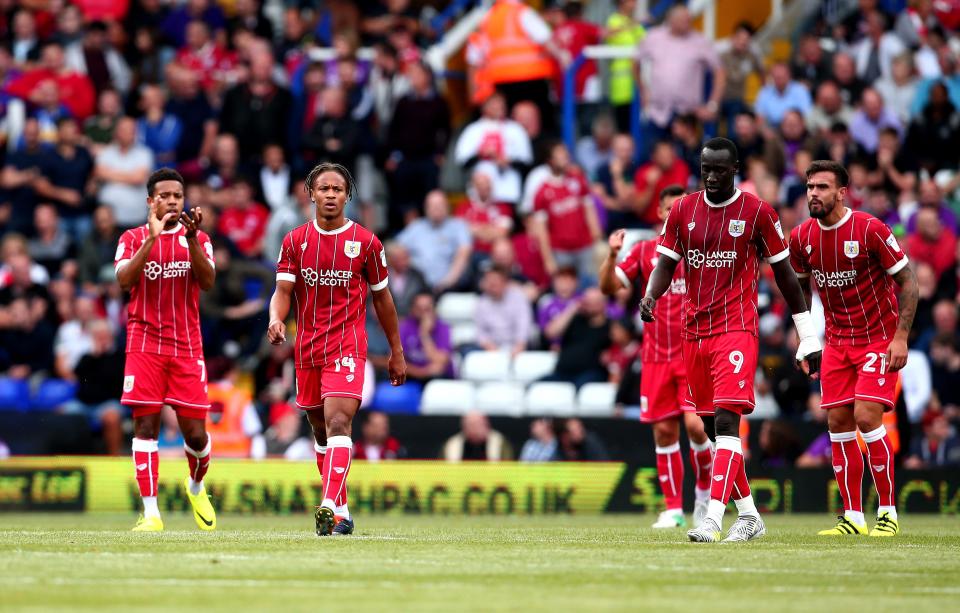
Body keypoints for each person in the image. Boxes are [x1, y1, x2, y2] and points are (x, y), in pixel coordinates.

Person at [642, 137, 822, 543]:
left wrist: (806, 334)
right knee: (709, 426)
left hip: (736, 328)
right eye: (705, 167)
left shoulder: (757, 212)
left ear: (735, 168)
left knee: (726, 420)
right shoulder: (684, 210)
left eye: (719, 169)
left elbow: (787, 277)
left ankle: (711, 517)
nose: (710, 175)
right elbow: (665, 264)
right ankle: (750, 515)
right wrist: (652, 294)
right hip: (694, 331)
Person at [267, 162, 406, 537]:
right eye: (324, 188)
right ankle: (341, 509)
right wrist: (276, 320)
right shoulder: (295, 241)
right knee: (320, 430)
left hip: (347, 344)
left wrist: (396, 351)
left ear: (348, 196)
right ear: (311, 194)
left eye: (338, 189)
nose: (330, 194)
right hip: (308, 346)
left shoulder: (367, 243)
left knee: (339, 421)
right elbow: (282, 292)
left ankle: (327, 503)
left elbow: (384, 301)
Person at [789, 160, 918, 537]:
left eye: (823, 187)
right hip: (837, 343)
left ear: (842, 192)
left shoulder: (869, 229)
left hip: (877, 338)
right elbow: (797, 292)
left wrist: (900, 337)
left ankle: (888, 513)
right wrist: (806, 341)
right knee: (837, 424)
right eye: (810, 186)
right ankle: (853, 518)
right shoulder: (801, 238)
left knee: (866, 417)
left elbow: (909, 284)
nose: (814, 193)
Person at [599, 184, 715, 529]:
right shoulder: (645, 250)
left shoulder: (704, 251)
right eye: (669, 208)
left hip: (694, 355)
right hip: (656, 358)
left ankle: (705, 498)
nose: (674, 213)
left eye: (682, 207)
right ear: (661, 212)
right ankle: (673, 509)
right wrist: (611, 256)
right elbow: (608, 288)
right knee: (664, 432)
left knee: (697, 426)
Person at [114, 168, 217, 532]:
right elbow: (125, 281)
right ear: (150, 201)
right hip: (143, 344)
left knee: (196, 436)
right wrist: (152, 240)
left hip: (187, 347)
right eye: (165, 195)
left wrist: (188, 241)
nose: (172, 201)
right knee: (145, 426)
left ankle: (196, 486)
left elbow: (207, 283)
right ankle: (151, 513)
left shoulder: (199, 239)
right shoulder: (131, 238)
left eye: (177, 195)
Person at [531, 142, 602, 279]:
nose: (565, 157)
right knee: (566, 290)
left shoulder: (578, 180)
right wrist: (548, 259)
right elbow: (541, 229)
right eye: (560, 155)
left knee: (590, 286)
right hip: (560, 250)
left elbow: (589, 209)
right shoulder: (542, 192)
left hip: (585, 245)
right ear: (550, 161)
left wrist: (597, 236)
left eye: (565, 154)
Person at [442, 411, 513, 461]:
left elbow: (508, 467)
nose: (473, 429)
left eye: (477, 424)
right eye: (470, 425)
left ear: (486, 424)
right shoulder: (452, 444)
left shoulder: (500, 442)